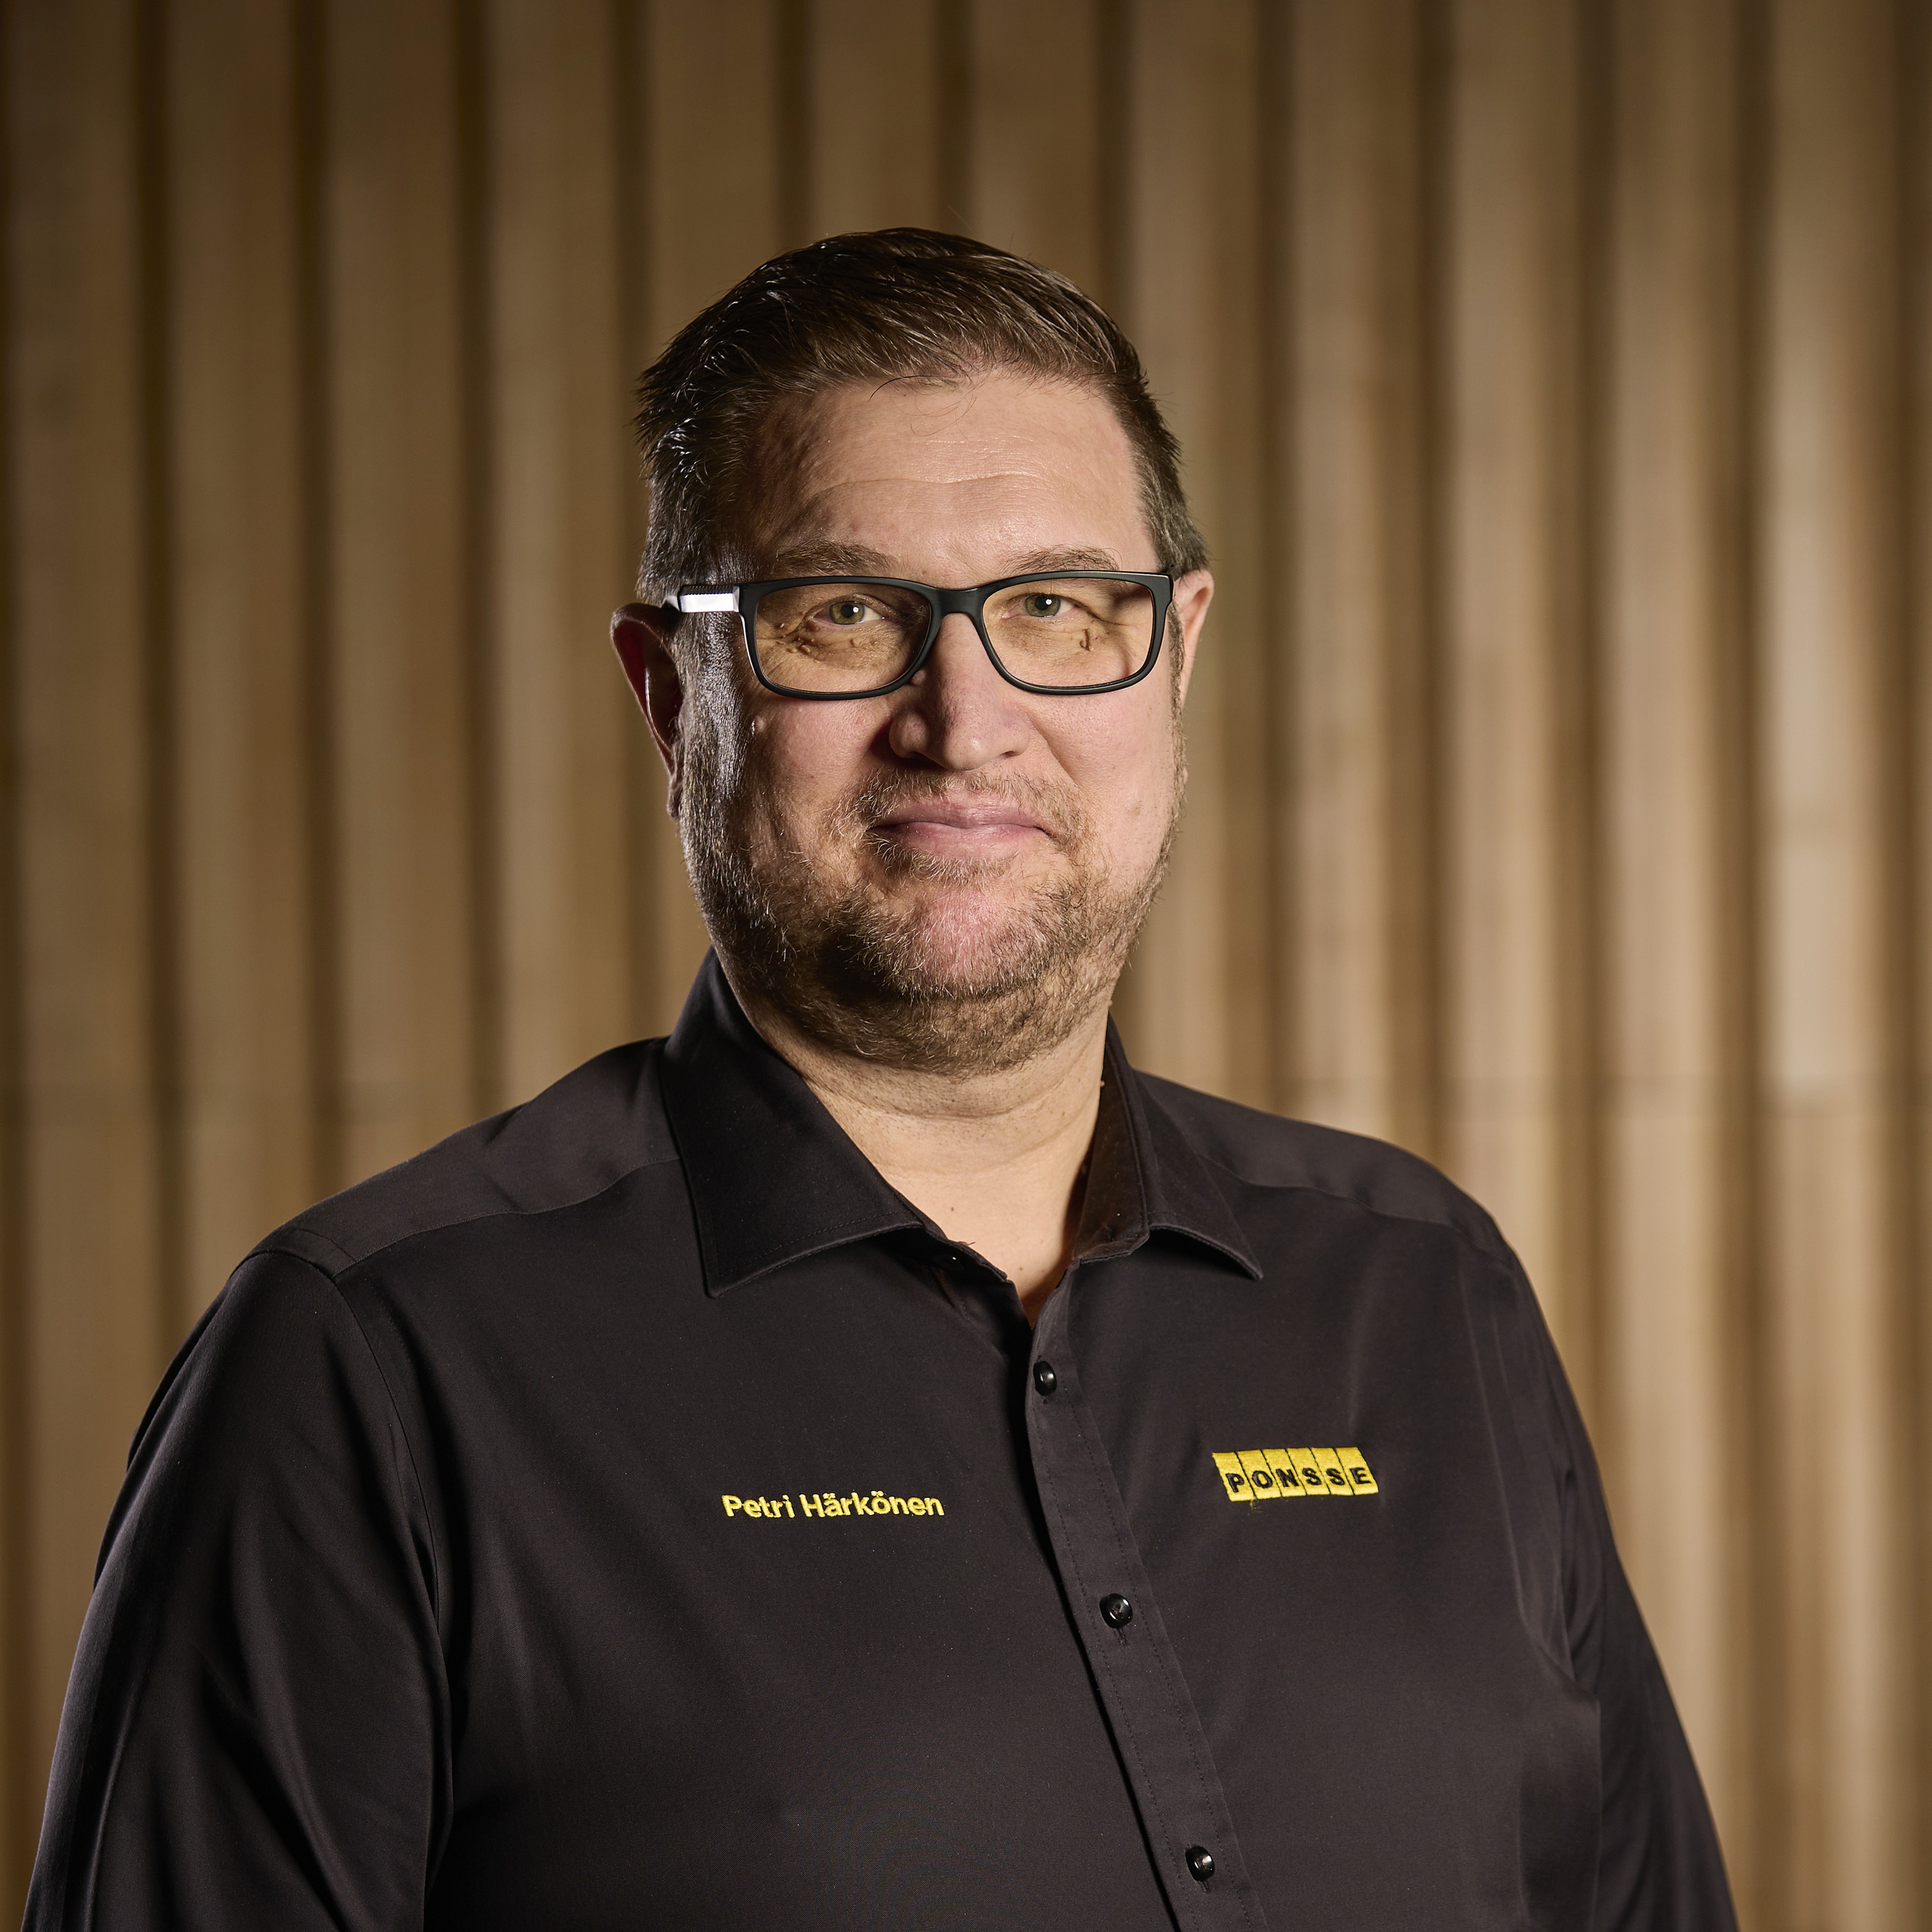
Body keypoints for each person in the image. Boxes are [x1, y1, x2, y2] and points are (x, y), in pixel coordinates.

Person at [26, 229, 1734, 1931]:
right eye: (843, 613)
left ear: (1176, 653)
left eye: (1055, 607)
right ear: (672, 693)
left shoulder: (1423, 1286)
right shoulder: (375, 1364)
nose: (963, 718)